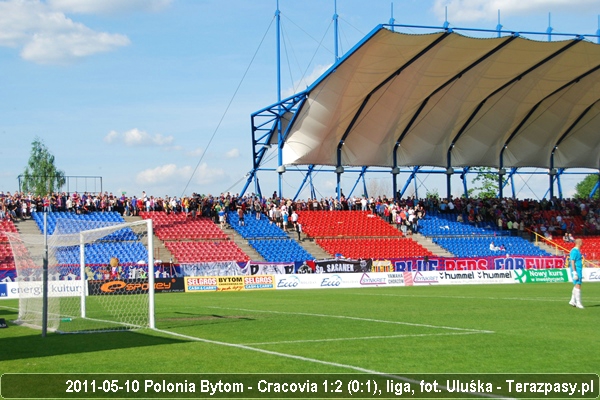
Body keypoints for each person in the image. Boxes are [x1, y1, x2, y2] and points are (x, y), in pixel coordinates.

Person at [568, 238, 584, 309]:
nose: (583, 243)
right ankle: (578, 303)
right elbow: (572, 261)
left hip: (578, 269)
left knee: (576, 285)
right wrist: (574, 272)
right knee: (578, 285)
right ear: (579, 243)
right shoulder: (574, 251)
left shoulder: (577, 251)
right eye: (582, 242)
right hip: (576, 270)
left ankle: (572, 300)